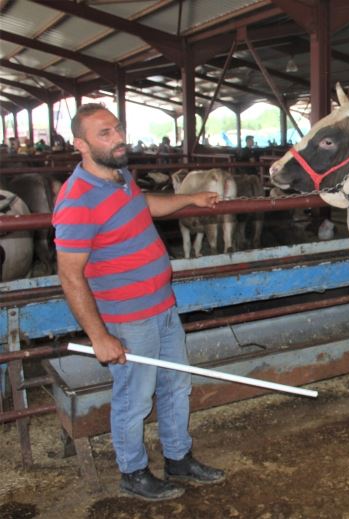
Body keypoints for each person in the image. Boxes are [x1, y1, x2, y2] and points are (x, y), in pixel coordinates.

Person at [52, 104, 225, 501]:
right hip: (128, 319)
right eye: (104, 134)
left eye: (117, 129)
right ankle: (132, 471)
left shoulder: (119, 177)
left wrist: (190, 198)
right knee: (134, 397)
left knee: (176, 385)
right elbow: (69, 275)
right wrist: (98, 336)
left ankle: (179, 457)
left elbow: (143, 204)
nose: (118, 138)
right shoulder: (77, 200)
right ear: (80, 144)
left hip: (162, 306)